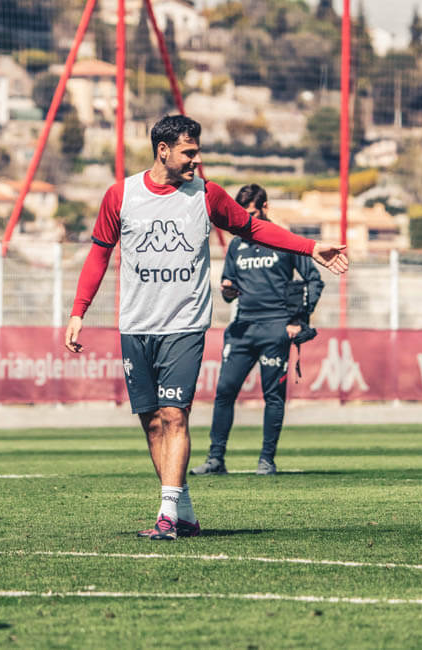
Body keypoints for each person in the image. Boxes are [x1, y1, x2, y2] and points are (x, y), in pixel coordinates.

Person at [64, 115, 348, 540]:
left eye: (197, 151)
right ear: (163, 151)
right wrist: (78, 311)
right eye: (189, 152)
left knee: (174, 415)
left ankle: (165, 516)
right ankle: (184, 513)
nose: (196, 160)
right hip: (136, 324)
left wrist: (310, 248)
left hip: (185, 323)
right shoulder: (120, 195)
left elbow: (254, 228)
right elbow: (99, 255)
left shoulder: (207, 195)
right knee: (152, 423)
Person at [190, 184, 324, 476]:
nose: (247, 220)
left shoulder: (284, 239)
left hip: (276, 328)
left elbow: (314, 280)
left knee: (273, 395)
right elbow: (229, 290)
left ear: (265, 207)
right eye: (243, 214)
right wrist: (227, 290)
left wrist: (298, 320)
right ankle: (215, 459)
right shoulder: (236, 245)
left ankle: (266, 460)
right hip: (242, 328)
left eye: (251, 213)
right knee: (224, 391)